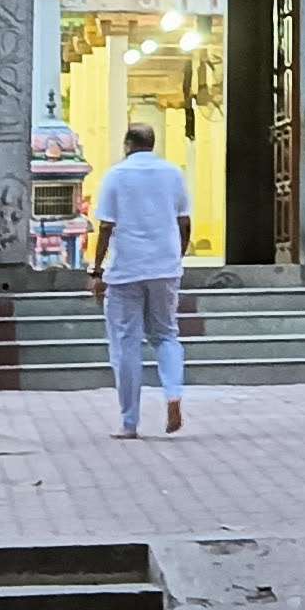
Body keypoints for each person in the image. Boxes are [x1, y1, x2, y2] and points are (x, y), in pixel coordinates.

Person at [88, 121, 192, 439]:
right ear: (153, 143)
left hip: (126, 272)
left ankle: (129, 422)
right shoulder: (173, 173)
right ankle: (173, 393)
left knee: (126, 345)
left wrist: (96, 271)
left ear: (127, 144)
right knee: (166, 335)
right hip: (164, 269)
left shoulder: (116, 176)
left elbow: (106, 226)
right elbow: (184, 222)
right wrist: (177, 256)